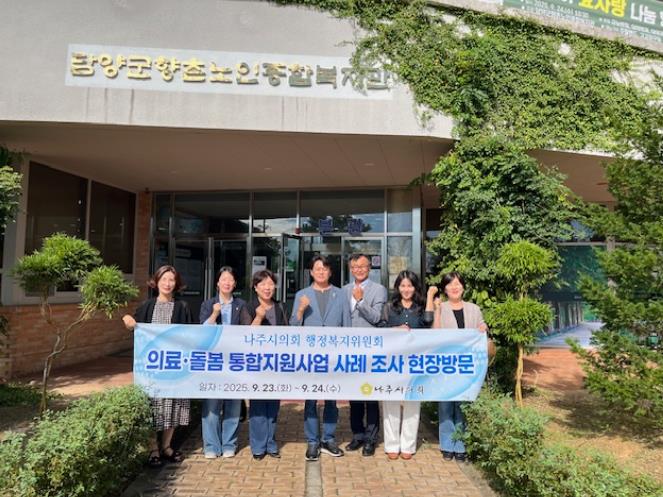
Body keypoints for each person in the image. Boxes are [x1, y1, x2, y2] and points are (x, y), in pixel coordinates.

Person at [122, 265, 193, 468]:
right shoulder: (147, 306)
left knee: (173, 405)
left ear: (176, 284)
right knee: (152, 407)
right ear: (156, 282)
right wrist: (127, 319)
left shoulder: (182, 307)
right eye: (164, 279)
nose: (167, 284)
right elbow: (134, 328)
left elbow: (191, 335)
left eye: (171, 280)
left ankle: (167, 446)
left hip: (174, 366)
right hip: (151, 367)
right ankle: (153, 448)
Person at [290, 255, 351, 461]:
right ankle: (312, 442)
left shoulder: (340, 294)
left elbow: (347, 325)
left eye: (325, 269)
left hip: (334, 356)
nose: (321, 272)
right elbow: (293, 327)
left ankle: (329, 439)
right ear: (311, 272)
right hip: (311, 357)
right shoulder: (302, 295)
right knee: (310, 400)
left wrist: (346, 353)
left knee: (331, 399)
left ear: (330, 272)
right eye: (317, 269)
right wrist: (300, 309)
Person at [378, 270, 436, 461]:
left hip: (414, 362)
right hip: (392, 362)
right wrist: (396, 329)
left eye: (410, 285)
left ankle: (408, 445)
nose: (406, 289)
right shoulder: (389, 307)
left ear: (415, 287)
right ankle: (392, 445)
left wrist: (429, 296)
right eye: (402, 285)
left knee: (412, 401)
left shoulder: (420, 307)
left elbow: (428, 322)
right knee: (390, 402)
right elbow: (381, 328)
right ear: (397, 287)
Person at [433, 271, 487, 463]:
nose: (454, 287)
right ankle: (448, 445)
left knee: (463, 405)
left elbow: (482, 326)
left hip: (467, 365)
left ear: (463, 287)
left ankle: (461, 446)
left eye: (457, 283)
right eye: (450, 284)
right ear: (445, 289)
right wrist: (437, 310)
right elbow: (435, 334)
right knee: (446, 406)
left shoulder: (474, 309)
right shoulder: (441, 307)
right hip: (446, 365)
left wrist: (483, 328)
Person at [199, 266, 250, 459]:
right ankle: (211, 446)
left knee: (233, 404)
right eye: (224, 279)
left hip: (234, 361)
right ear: (218, 283)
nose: (227, 283)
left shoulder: (241, 305)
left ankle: (229, 443)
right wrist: (214, 314)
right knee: (211, 405)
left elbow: (247, 330)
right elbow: (202, 331)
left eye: (230, 279)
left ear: (234, 284)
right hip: (213, 361)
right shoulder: (208, 304)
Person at [342, 253, 387, 457]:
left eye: (362, 266)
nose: (358, 270)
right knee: (354, 395)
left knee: (371, 395)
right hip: (349, 350)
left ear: (369, 267)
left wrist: (360, 301)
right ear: (350, 269)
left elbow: (377, 317)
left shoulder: (379, 289)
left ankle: (371, 438)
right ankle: (357, 435)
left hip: (370, 351)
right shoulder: (343, 290)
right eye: (354, 267)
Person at [245, 269, 288, 460]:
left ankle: (271, 442)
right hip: (256, 363)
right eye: (263, 284)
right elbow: (245, 335)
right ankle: (258, 446)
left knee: (273, 405)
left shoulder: (280, 307)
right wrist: (259, 317)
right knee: (257, 405)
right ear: (255, 287)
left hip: (276, 363)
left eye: (270, 284)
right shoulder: (249, 307)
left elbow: (288, 333)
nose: (267, 288)